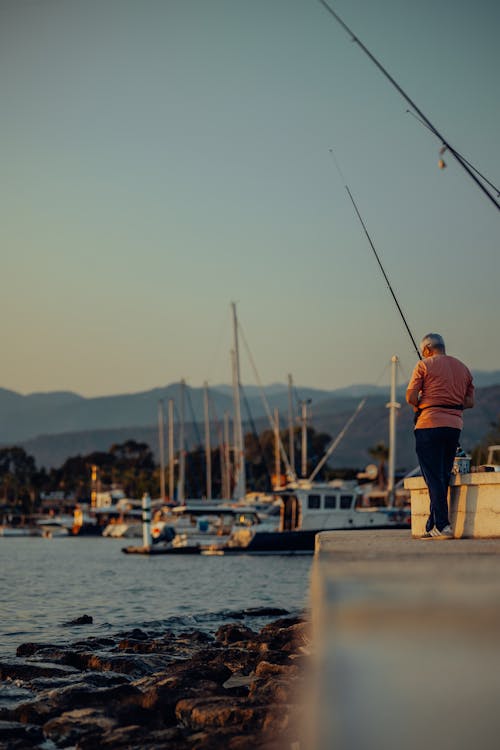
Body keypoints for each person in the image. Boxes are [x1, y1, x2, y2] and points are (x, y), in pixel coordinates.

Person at [406, 333, 474, 539]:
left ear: (426, 349)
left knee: (433, 477)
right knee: (442, 475)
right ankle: (432, 525)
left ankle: (443, 525)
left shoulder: (423, 365)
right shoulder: (463, 368)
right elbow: (470, 402)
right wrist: (450, 404)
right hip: (454, 426)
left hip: (429, 425)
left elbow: (410, 396)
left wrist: (423, 405)